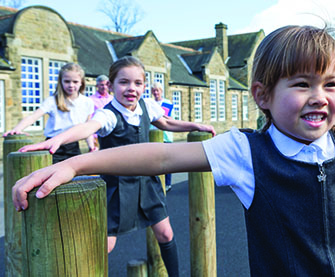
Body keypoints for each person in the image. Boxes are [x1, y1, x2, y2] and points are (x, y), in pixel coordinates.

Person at [12, 26, 335, 276]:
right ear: (263, 96)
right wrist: (76, 161)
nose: (320, 95)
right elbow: (160, 158)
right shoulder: (247, 152)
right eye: (302, 83)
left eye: (331, 83)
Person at [15, 56, 216, 277]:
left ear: (144, 86)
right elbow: (88, 127)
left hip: (147, 184)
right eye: (124, 82)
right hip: (117, 188)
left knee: (166, 234)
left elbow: (167, 122)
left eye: (138, 83)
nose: (132, 88)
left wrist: (195, 125)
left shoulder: (146, 106)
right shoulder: (108, 114)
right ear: (111, 86)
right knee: (106, 245)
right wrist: (58, 139)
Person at [3, 62, 95, 163]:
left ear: (81, 82)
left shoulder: (87, 102)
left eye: (75, 82)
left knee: (76, 175)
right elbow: (33, 117)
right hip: (52, 146)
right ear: (61, 81)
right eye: (67, 81)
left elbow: (88, 128)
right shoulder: (52, 101)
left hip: (73, 146)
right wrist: (17, 129)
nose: (71, 85)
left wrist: (91, 146)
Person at [151, 82, 174, 191]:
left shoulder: (166, 103)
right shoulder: (151, 103)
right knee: (154, 161)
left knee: (167, 161)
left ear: (161, 91)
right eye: (154, 91)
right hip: (153, 135)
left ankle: (167, 183)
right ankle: (157, 183)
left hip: (165, 136)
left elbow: (168, 119)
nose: (156, 93)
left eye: (157, 90)